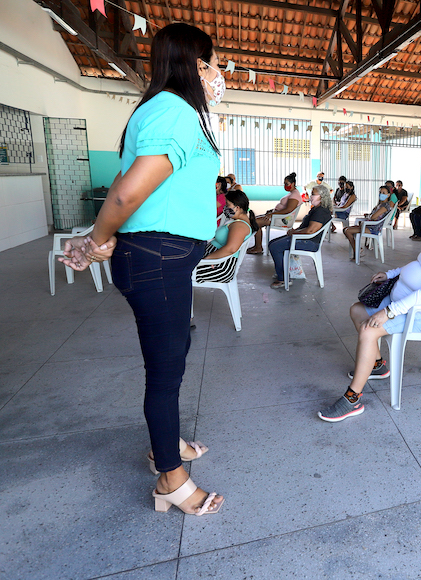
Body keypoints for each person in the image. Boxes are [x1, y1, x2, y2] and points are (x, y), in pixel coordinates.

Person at [58, 23, 225, 516]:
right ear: (196, 63)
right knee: (167, 369)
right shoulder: (174, 111)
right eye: (213, 62)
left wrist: (108, 236)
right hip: (157, 259)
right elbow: (129, 191)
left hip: (161, 257)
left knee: (176, 351)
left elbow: (130, 183)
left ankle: (164, 442)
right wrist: (96, 239)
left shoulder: (166, 110)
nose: (219, 73)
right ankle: (171, 480)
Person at [318, 205, 421, 422]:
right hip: (404, 301)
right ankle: (377, 365)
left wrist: (388, 312)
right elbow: (418, 263)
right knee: (357, 310)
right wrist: (390, 274)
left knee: (369, 330)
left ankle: (352, 398)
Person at [268, 184, 332, 288]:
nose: (310, 197)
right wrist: (295, 231)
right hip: (305, 238)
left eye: (313, 195)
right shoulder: (316, 209)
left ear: (322, 196)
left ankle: (283, 279)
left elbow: (311, 230)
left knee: (275, 247)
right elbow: (307, 227)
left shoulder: (321, 211)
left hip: (310, 242)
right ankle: (282, 271)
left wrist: (295, 233)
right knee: (272, 243)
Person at [194, 189, 259, 283]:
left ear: (237, 207)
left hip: (219, 266)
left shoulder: (240, 226)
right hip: (215, 260)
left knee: (178, 271)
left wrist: (207, 259)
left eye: (227, 205)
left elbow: (231, 249)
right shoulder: (235, 221)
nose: (225, 208)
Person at [247, 172, 302, 254]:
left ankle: (258, 247)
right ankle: (257, 246)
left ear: (293, 183)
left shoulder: (295, 195)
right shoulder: (292, 193)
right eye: (284, 184)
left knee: (255, 222)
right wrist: (272, 211)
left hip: (282, 219)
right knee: (254, 219)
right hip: (277, 216)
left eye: (287, 184)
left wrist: (272, 214)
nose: (285, 186)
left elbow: (288, 210)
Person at [343, 185, 394, 261]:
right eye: (380, 192)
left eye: (383, 192)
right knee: (345, 229)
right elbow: (372, 216)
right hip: (369, 225)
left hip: (373, 228)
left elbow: (373, 217)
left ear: (388, 195)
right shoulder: (379, 205)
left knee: (348, 231)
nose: (381, 194)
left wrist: (372, 216)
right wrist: (371, 216)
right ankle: (357, 249)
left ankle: (357, 250)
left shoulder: (385, 206)